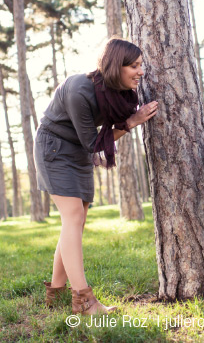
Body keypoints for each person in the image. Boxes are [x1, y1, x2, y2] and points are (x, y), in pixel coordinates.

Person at [35, 38, 158, 315]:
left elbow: (91, 141)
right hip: (54, 148)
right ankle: (84, 300)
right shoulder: (80, 89)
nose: (141, 72)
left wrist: (130, 119)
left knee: (76, 221)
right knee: (73, 218)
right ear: (117, 65)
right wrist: (131, 123)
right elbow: (94, 144)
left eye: (141, 65)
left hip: (78, 149)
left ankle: (55, 293)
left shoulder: (119, 92)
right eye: (135, 66)